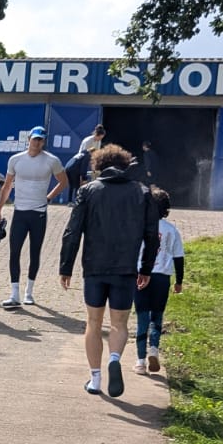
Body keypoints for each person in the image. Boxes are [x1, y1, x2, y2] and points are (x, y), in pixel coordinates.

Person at [59, 144, 160, 398]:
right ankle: (114, 359)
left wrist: (66, 266)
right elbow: (152, 235)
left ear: (98, 167)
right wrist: (146, 268)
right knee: (119, 323)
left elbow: (72, 231)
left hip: (94, 267)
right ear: (126, 166)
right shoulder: (142, 192)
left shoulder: (88, 191)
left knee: (93, 323)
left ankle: (95, 379)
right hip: (126, 269)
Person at [0, 126, 68, 308]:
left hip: (39, 212)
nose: (37, 142)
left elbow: (63, 182)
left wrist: (49, 197)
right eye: (35, 139)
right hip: (20, 212)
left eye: (40, 140)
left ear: (44, 141)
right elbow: (7, 186)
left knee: (35, 251)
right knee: (14, 251)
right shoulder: (16, 159)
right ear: (29, 139)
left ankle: (29, 292)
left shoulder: (51, 160)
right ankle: (14, 293)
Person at [134, 186, 185, 375]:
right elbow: (178, 258)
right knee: (157, 316)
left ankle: (140, 361)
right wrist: (179, 281)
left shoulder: (139, 227)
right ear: (166, 208)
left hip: (140, 275)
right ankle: (154, 348)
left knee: (141, 318)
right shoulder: (171, 230)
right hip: (162, 277)